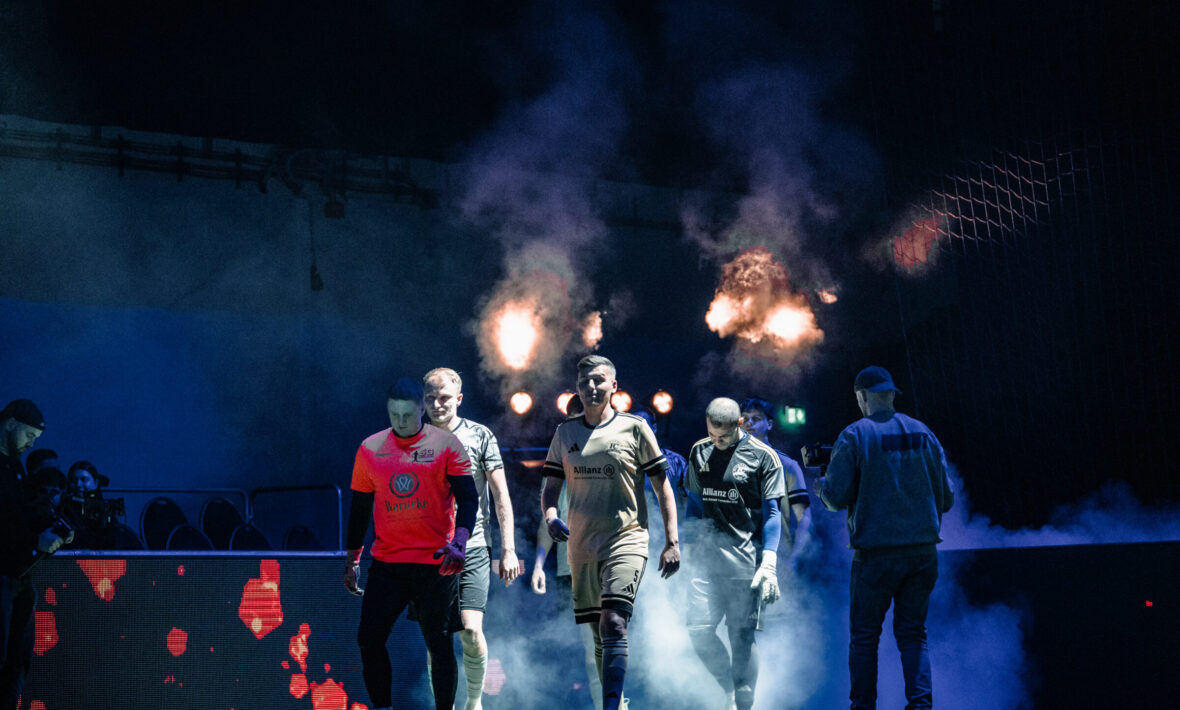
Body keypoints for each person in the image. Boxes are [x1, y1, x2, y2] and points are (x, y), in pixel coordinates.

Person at [541, 355, 680, 710]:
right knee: (598, 635)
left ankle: (609, 706)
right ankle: (616, 704)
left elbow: (662, 486)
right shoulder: (565, 434)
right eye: (584, 381)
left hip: (627, 538)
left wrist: (672, 542)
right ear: (577, 388)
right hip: (582, 546)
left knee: (614, 622)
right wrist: (551, 515)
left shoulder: (635, 428)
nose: (591, 386)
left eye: (599, 380)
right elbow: (550, 488)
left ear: (613, 386)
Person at [816, 366, 954, 710]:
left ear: (862, 396)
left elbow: (834, 497)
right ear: (892, 394)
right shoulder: (924, 432)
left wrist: (821, 486)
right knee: (913, 634)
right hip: (923, 554)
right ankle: (921, 706)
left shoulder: (855, 435)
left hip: (875, 556)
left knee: (865, 639)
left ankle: (863, 707)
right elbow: (947, 498)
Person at [343, 378, 479, 710]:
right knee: (369, 638)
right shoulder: (370, 449)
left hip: (435, 563)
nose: (401, 421)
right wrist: (352, 559)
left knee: (439, 643)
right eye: (395, 415)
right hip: (388, 565)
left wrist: (460, 542)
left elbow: (468, 498)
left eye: (407, 414)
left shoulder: (446, 444)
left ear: (422, 409)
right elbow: (360, 508)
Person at [421, 367, 519, 710]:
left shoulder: (480, 435)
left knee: (471, 630)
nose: (437, 404)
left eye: (444, 398)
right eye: (430, 398)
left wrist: (508, 549)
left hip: (473, 545)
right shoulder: (413, 438)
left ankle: (474, 703)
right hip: (428, 551)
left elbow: (501, 494)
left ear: (459, 399)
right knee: (437, 637)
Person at [683, 397, 786, 710]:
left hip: (745, 563)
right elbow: (693, 505)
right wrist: (687, 547)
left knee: (741, 638)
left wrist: (769, 561)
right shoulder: (699, 451)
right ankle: (728, 688)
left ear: (739, 424)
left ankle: (743, 702)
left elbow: (772, 513)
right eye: (712, 434)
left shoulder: (764, 456)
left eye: (724, 436)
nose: (718, 441)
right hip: (706, 563)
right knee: (698, 631)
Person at [1, 399, 69, 710]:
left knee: (17, 661)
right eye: (29, 435)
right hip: (6, 575)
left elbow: (22, 514)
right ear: (10, 423)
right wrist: (34, 540)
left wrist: (51, 529)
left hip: (18, 577)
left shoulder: (14, 468)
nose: (31, 444)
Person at [739, 397, 812, 566]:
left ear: (770, 424)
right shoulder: (728, 463)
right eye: (744, 418)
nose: (749, 423)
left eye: (756, 418)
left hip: (776, 559)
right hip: (738, 560)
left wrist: (794, 559)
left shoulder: (787, 465)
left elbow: (805, 518)